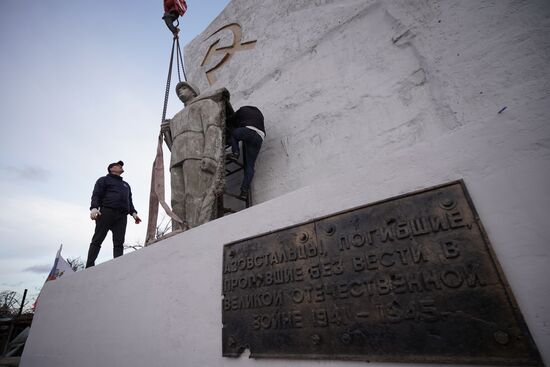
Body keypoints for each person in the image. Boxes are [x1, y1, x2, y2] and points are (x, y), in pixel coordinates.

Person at [161, 82, 230, 232]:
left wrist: (210, 155)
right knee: (176, 199)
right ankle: (178, 229)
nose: (180, 92)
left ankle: (195, 227)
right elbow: (173, 144)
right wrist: (167, 131)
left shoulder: (206, 104)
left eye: (184, 88)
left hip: (195, 152)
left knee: (195, 193)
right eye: (178, 90)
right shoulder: (176, 117)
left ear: (194, 91)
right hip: (177, 157)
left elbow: (213, 128)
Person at [86, 161, 141, 268]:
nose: (121, 166)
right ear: (111, 169)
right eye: (118, 165)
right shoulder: (103, 180)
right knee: (98, 239)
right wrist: (94, 208)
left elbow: (129, 200)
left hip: (122, 216)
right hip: (106, 212)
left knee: (119, 242)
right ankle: (89, 266)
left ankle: (118, 266)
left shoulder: (126, 185)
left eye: (121, 165)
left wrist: (133, 213)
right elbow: (96, 195)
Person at [227, 106, 265, 199]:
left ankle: (235, 153)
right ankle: (244, 191)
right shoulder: (259, 114)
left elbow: (231, 120)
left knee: (234, 134)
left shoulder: (242, 110)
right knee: (250, 166)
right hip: (260, 137)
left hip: (249, 130)